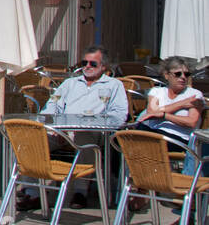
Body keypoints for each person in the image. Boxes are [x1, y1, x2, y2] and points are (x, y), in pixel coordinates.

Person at [20, 47, 127, 209]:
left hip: (93, 133)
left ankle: (80, 191)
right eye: (84, 63)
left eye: (93, 63)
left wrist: (91, 123)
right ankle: (33, 193)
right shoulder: (70, 83)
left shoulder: (114, 85)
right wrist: (54, 127)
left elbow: (119, 116)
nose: (87, 66)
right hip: (62, 131)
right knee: (30, 141)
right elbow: (51, 107)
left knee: (84, 136)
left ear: (104, 66)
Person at [136, 56, 204, 176]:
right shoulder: (157, 91)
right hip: (152, 133)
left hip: (178, 140)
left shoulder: (195, 95)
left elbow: (191, 122)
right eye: (178, 74)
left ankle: (147, 180)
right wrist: (182, 104)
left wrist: (164, 115)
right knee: (124, 139)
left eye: (186, 74)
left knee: (137, 143)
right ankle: (131, 180)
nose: (183, 77)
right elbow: (152, 112)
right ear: (166, 75)